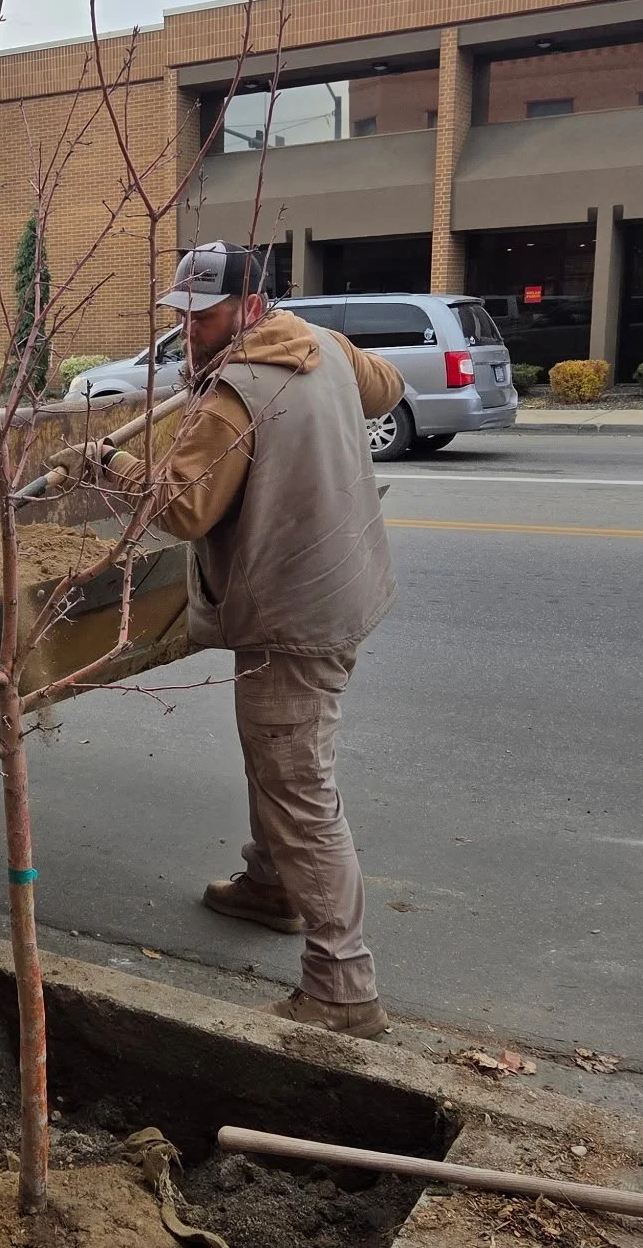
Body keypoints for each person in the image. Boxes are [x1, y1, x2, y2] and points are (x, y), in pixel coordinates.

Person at [78, 241, 403, 1038]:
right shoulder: (316, 344)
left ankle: (343, 989)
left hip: (294, 613)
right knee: (276, 754)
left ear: (249, 308)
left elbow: (183, 509)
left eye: (206, 314)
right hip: (340, 584)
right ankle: (271, 886)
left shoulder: (234, 393)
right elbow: (384, 388)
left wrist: (109, 464)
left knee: (297, 783)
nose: (189, 330)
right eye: (181, 315)